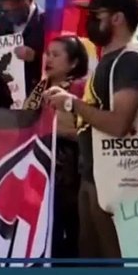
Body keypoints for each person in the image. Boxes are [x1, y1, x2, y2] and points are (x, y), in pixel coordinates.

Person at [44, 0, 138, 260]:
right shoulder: (111, 58)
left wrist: (71, 103)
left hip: (119, 182)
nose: (89, 21)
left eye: (96, 15)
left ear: (116, 19)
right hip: (97, 177)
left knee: (115, 262)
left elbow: (119, 124)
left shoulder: (129, 60)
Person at [23, 35, 90, 260]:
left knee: (65, 228)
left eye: (56, 55)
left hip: (65, 170)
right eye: (47, 54)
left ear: (73, 63)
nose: (48, 59)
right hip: (37, 168)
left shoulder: (79, 89)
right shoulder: (39, 87)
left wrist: (54, 131)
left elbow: (86, 129)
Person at [0, 0, 46, 94]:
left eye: (15, 10)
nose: (10, 15)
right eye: (6, 11)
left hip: (38, 96)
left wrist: (36, 57)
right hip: (8, 97)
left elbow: (63, 64)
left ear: (29, 0)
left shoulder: (48, 24)